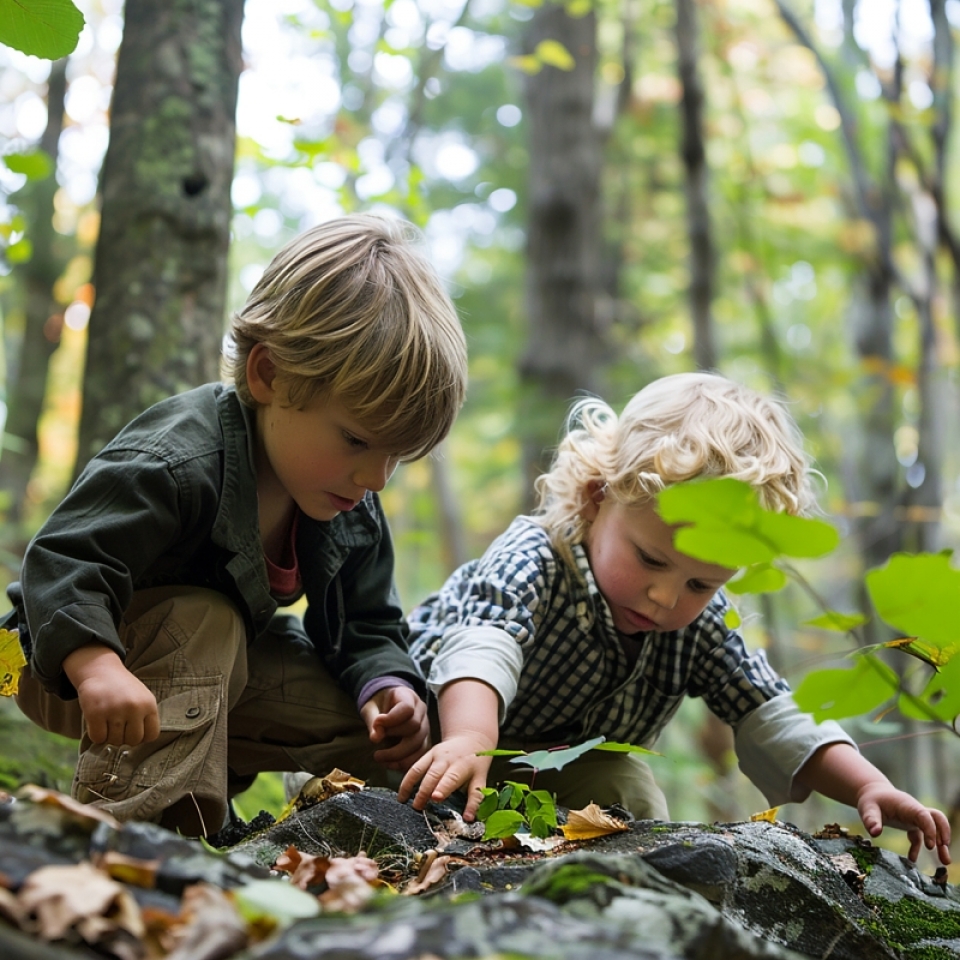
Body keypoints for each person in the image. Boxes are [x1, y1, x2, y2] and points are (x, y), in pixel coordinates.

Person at [7, 213, 468, 837]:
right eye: (358, 439)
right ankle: (144, 835)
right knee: (209, 620)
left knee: (357, 711)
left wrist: (388, 687)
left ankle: (322, 828)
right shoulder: (177, 459)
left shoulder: (346, 496)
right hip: (63, 661)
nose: (377, 478)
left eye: (396, 455)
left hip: (207, 671)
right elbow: (65, 561)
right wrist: (97, 668)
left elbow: (367, 623)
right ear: (270, 374)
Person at [398, 372, 951, 865]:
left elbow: (769, 709)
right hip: (435, 727)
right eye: (650, 559)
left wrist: (867, 785)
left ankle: (613, 897)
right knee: (389, 745)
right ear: (596, 499)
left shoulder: (702, 624)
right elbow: (486, 640)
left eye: (700, 584)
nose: (666, 597)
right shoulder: (537, 556)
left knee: (628, 789)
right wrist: (469, 735)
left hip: (544, 764)